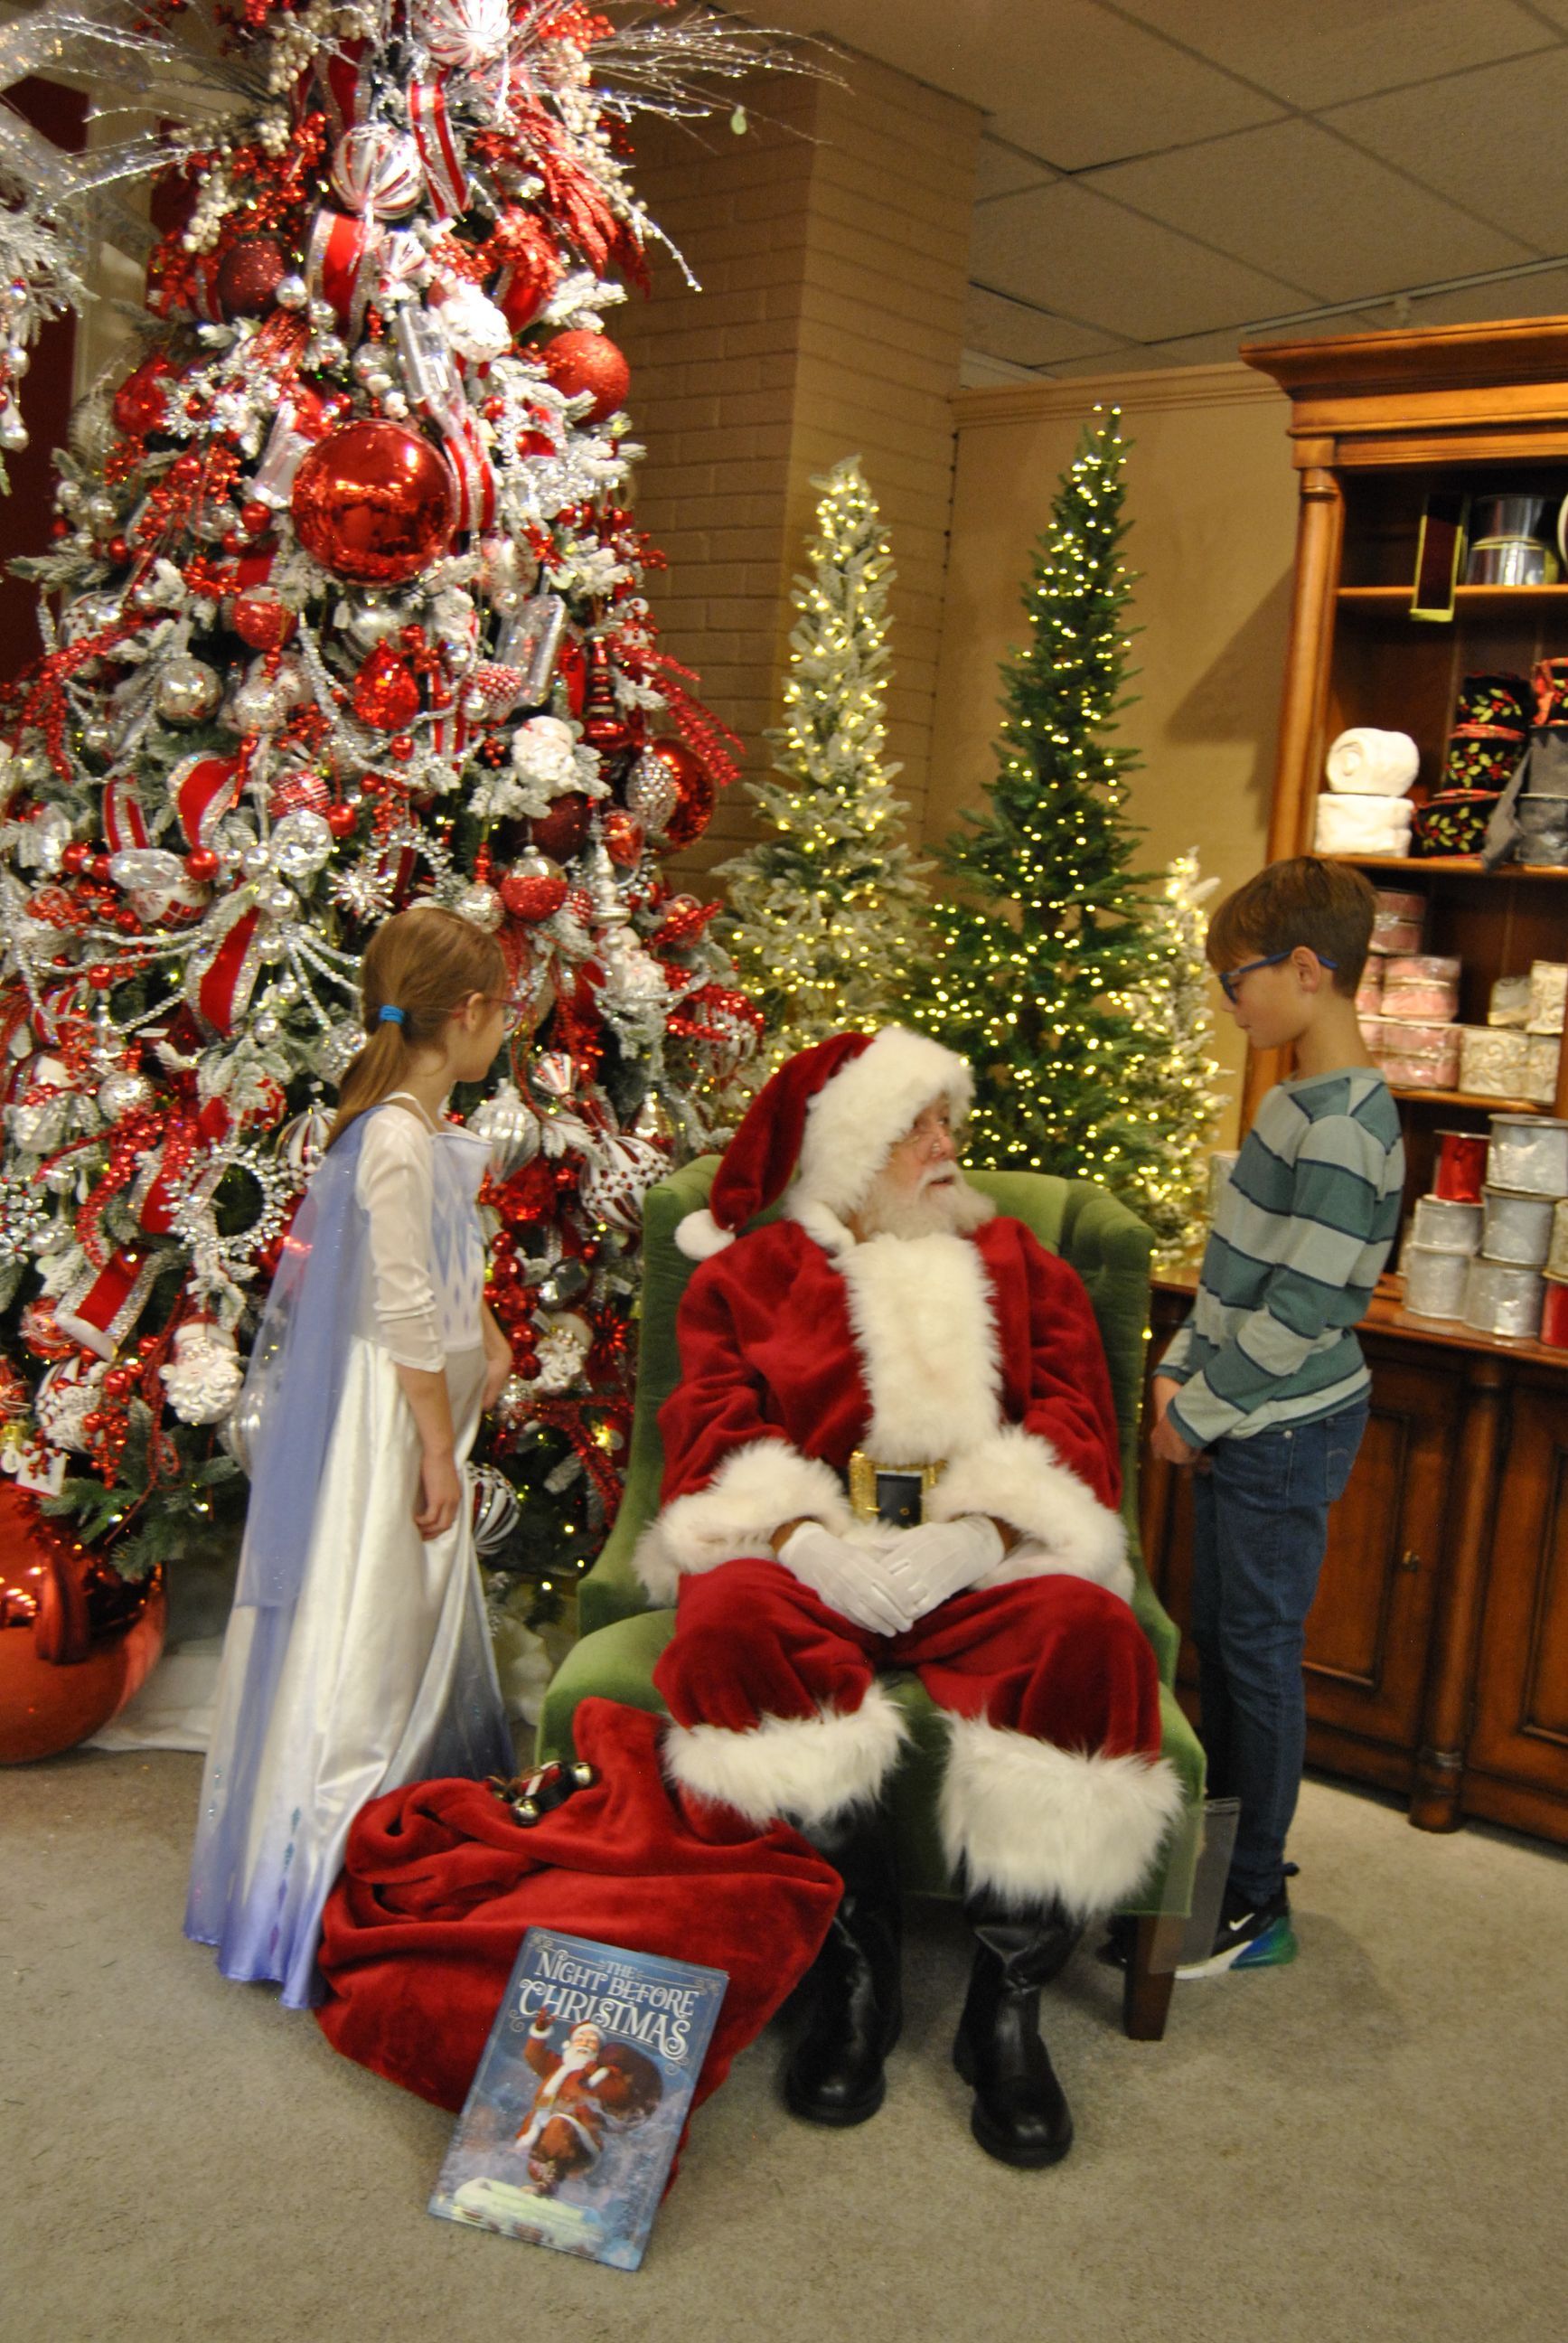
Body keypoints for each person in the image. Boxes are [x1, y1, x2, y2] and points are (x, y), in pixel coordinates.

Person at [634, 1027, 1182, 2169]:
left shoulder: (1021, 1264)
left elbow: (1075, 1422)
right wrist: (801, 1539)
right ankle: (856, 1968)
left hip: (976, 1558)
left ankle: (1005, 2008)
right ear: (848, 1151)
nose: (946, 1146)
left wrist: (984, 1531)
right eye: (915, 1128)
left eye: (947, 1121)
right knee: (728, 1623)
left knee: (1088, 1634)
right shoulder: (749, 1278)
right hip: (817, 1556)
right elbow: (711, 1430)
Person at [185, 906, 520, 2007]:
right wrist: (435, 1450)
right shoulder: (394, 1138)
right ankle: (309, 1892)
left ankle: (379, 1853)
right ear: (465, 1013)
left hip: (426, 1409)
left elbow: (438, 1268)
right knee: (368, 1642)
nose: (505, 1032)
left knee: (406, 1632)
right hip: (394, 1428)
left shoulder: (417, 1128)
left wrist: (492, 1341)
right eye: (502, 1013)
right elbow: (401, 1306)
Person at [1150, 856, 1404, 1978]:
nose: (1228, 1002)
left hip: (1283, 1427)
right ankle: (1216, 1876)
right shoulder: (1295, 1101)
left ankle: (1253, 1900)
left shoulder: (1344, 1124)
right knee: (1225, 1644)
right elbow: (1237, 1275)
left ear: (1306, 969)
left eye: (1234, 978)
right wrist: (1177, 1368)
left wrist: (1199, 1409)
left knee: (1255, 1660)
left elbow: (1303, 1307)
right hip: (1245, 1416)